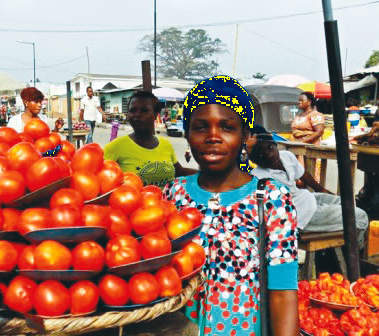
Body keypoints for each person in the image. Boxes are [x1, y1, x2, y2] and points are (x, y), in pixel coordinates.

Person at [163, 76, 299, 335]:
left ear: (245, 135)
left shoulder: (271, 199)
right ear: (187, 134)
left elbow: (283, 293)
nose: (213, 137)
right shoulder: (173, 195)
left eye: (227, 127)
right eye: (201, 127)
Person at [249, 133, 369, 245]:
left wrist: (320, 189)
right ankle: (353, 256)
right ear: (255, 161)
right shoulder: (258, 177)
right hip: (300, 214)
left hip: (306, 197)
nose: (268, 155)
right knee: (360, 216)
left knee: (349, 203)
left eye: (270, 148)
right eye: (261, 155)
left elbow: (303, 174)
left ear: (275, 144)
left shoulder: (286, 156)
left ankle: (333, 251)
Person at [104, 91, 196, 188]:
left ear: (156, 115)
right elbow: (98, 179)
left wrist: (207, 175)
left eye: (144, 110)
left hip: (166, 203)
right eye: (132, 110)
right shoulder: (116, 146)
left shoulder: (166, 144)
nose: (137, 115)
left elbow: (179, 171)